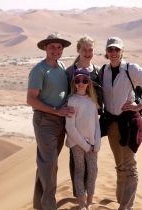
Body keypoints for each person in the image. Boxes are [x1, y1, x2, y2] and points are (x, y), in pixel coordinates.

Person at [99, 37, 142, 210]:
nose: (113, 53)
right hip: (112, 123)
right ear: (106, 52)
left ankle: (126, 207)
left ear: (122, 51)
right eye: (110, 50)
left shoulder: (131, 69)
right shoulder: (103, 70)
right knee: (120, 165)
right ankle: (120, 199)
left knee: (129, 165)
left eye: (117, 50)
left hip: (128, 124)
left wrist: (139, 105)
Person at [27, 32, 75, 210]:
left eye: (59, 47)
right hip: (45, 121)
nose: (56, 50)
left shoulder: (62, 66)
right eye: (52, 46)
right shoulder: (39, 70)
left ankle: (39, 206)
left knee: (45, 166)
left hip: (60, 122)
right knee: (49, 166)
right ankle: (49, 206)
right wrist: (56, 110)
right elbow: (31, 99)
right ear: (45, 48)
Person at [66, 35, 102, 198]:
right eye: (84, 49)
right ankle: (79, 196)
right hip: (74, 122)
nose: (87, 53)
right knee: (77, 163)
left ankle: (88, 196)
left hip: (93, 122)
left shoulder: (97, 71)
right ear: (78, 50)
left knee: (92, 164)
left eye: (90, 50)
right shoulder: (70, 72)